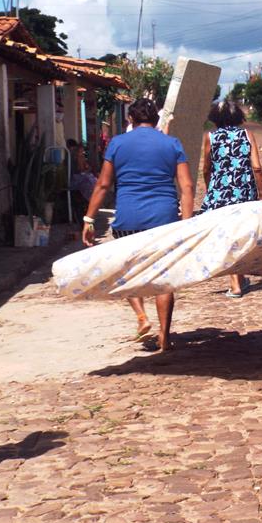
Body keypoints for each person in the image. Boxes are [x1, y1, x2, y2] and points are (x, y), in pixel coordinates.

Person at [82, 98, 194, 350]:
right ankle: (165, 336)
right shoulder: (171, 143)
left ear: (130, 119)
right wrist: (187, 224)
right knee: (164, 277)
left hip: (127, 219)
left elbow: (102, 185)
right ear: (156, 120)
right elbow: (186, 186)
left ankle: (142, 317)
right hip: (164, 219)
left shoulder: (118, 143)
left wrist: (89, 219)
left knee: (128, 272)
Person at [201, 100, 262, 298]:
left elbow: (206, 168)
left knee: (227, 237)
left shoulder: (210, 137)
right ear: (238, 116)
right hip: (244, 193)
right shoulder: (247, 135)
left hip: (220, 193)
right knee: (241, 235)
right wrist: (261, 195)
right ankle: (240, 279)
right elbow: (256, 167)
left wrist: (210, 187)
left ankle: (236, 283)